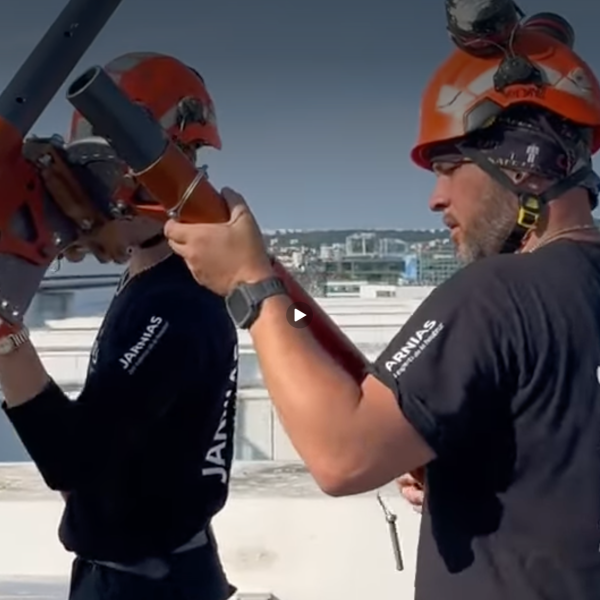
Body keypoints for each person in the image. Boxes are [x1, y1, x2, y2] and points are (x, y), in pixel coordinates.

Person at [161, 12, 600, 600]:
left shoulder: (496, 293)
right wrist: (459, 465)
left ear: (525, 163)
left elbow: (343, 455)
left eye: (449, 168)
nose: (436, 199)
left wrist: (253, 285)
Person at [0, 52, 238, 600]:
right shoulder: (148, 278)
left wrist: (6, 334)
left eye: (103, 174)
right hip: (132, 571)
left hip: (153, 583)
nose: (94, 197)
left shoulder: (176, 306)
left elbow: (72, 458)